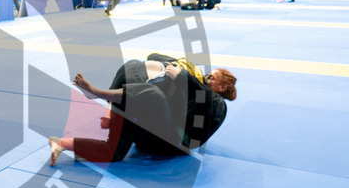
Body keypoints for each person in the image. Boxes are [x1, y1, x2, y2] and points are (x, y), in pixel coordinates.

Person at [48, 53, 237, 166]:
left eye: (212, 78)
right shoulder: (197, 91)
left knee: (154, 96)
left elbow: (206, 97)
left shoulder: (219, 105)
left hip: (173, 144)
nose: (206, 77)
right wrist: (178, 64)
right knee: (133, 67)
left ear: (222, 88)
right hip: (154, 132)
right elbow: (153, 56)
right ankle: (62, 143)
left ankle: (99, 93)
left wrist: (183, 76)